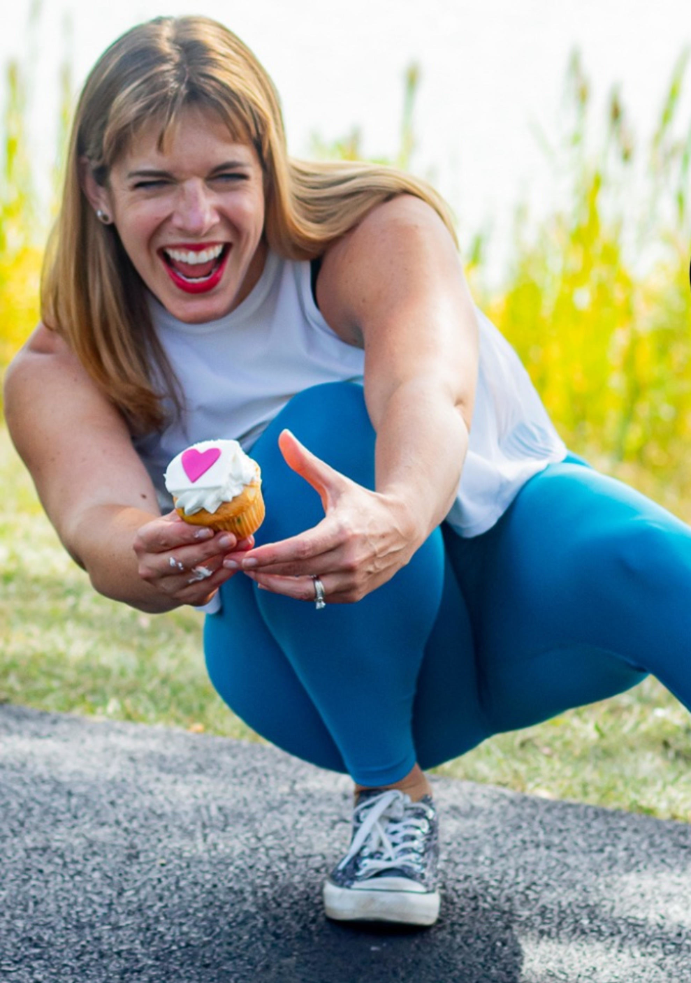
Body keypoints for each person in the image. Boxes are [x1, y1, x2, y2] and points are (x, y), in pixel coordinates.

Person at [5, 14, 691, 929]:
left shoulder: (376, 229)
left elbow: (426, 391)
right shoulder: (61, 366)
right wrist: (153, 554)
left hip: (509, 586)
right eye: (154, 183)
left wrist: (397, 516)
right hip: (315, 662)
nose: (197, 218)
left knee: (649, 557)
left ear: (271, 167)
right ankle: (390, 802)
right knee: (310, 438)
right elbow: (100, 528)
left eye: (226, 177)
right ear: (97, 189)